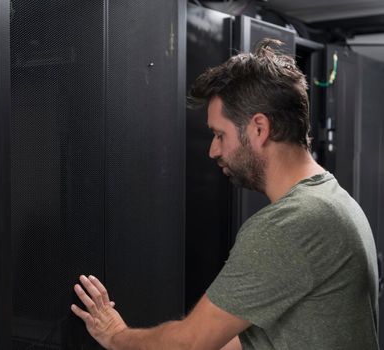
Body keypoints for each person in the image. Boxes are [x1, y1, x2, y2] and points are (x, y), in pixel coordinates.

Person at [70, 39, 379, 350]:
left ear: (259, 129)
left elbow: (189, 344)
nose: (212, 150)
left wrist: (117, 336)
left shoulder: (290, 224)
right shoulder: (334, 200)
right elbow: (257, 339)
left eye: (220, 135)